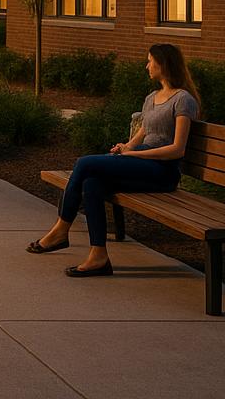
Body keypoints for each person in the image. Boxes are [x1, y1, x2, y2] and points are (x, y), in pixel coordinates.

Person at [27, 42, 201, 276]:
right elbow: (144, 132)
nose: (147, 65)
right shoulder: (152, 97)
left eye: (150, 60)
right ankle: (99, 256)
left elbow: (177, 149)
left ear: (164, 63)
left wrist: (134, 154)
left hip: (162, 172)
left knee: (84, 163)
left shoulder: (183, 100)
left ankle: (60, 229)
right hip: (142, 164)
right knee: (92, 184)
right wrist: (126, 147)